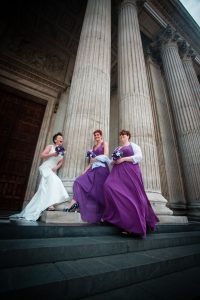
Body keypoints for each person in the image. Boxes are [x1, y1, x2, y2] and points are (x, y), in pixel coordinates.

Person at [102, 130, 159, 237]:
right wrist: (114, 161)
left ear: (128, 136)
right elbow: (111, 161)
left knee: (131, 196)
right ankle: (115, 217)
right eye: (120, 136)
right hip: (117, 173)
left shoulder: (134, 146)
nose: (122, 137)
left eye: (123, 135)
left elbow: (139, 157)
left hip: (130, 173)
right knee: (108, 186)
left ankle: (131, 225)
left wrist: (123, 159)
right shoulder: (117, 149)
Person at [9, 132, 69, 221]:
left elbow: (61, 161)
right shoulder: (50, 147)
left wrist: (56, 167)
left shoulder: (62, 150)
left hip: (52, 170)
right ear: (55, 140)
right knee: (55, 182)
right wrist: (52, 154)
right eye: (59, 137)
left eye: (62, 138)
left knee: (46, 188)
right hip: (46, 167)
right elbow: (42, 155)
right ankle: (50, 204)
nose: (61, 139)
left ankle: (47, 205)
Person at [66, 129, 110, 224]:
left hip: (102, 169)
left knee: (99, 192)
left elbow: (106, 155)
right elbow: (91, 162)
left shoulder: (104, 143)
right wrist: (84, 171)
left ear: (101, 135)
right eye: (95, 135)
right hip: (93, 169)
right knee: (79, 181)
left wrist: (95, 157)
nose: (96, 136)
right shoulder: (93, 147)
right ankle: (72, 204)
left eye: (98, 135)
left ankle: (103, 215)